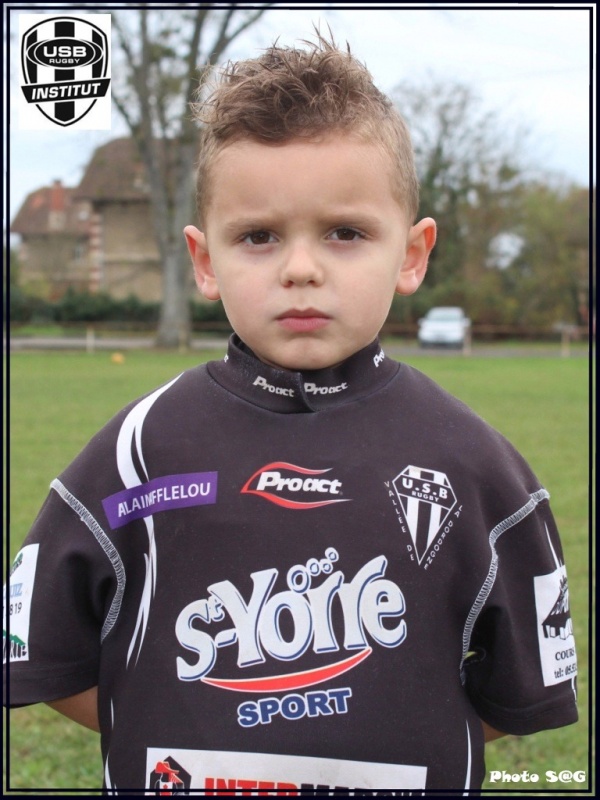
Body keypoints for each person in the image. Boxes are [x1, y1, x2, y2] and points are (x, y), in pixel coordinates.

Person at [4, 33, 578, 793]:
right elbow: (43, 656)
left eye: (345, 233)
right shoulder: (138, 451)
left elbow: (514, 694)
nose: (300, 268)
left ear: (412, 254)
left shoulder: (476, 463)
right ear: (205, 261)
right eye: (258, 236)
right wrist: (180, 728)